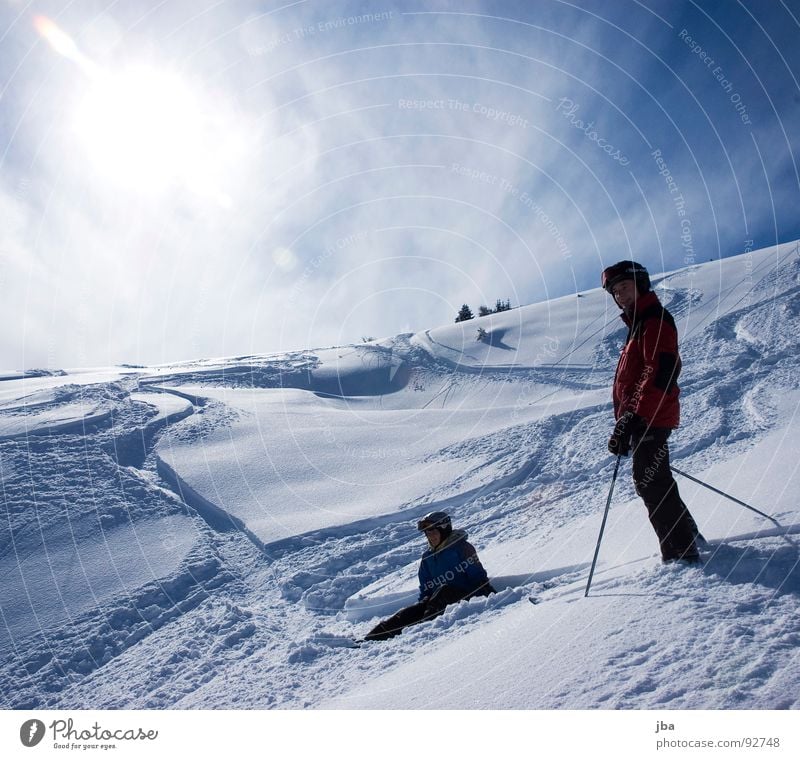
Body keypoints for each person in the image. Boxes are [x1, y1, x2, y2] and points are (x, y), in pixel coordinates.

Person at [602, 261, 701, 564]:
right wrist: (624, 422)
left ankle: (681, 551)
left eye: (626, 288)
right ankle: (689, 536)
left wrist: (636, 416)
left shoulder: (654, 320)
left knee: (649, 480)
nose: (621, 296)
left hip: (653, 414)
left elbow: (658, 370)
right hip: (643, 416)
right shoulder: (638, 325)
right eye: (616, 292)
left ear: (641, 285)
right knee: (655, 477)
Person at [363, 511, 495, 642]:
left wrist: (486, 591)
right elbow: (426, 586)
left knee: (443, 591)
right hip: (437, 602)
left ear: (444, 530)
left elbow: (477, 575)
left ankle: (422, 631)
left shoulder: (462, 548)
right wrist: (423, 603)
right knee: (408, 613)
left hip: (467, 596)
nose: (430, 536)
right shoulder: (427, 557)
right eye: (427, 533)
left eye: (433, 531)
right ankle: (370, 639)